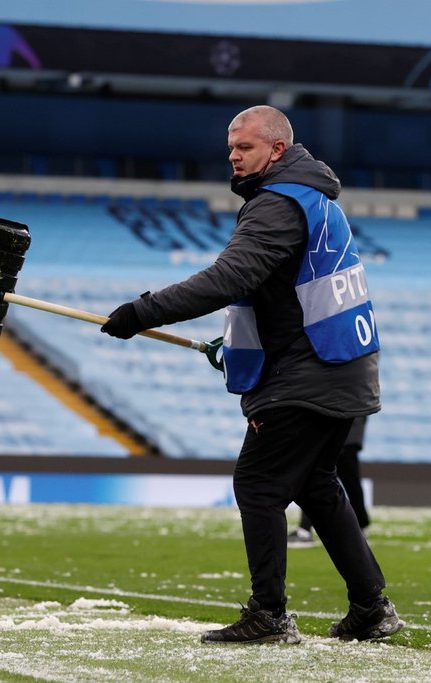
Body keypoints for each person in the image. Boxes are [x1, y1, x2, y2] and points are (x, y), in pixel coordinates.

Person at [100, 105, 402, 644]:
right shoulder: (310, 199)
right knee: (317, 485)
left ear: (277, 150)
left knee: (259, 485)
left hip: (309, 372)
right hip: (339, 368)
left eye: (245, 148)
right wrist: (239, 345)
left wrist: (142, 311)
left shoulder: (278, 204)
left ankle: (269, 614)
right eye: (231, 149)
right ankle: (371, 608)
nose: (234, 157)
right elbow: (278, 294)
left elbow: (229, 277)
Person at [287, 416, 369, 548]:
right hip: (335, 436)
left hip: (343, 437)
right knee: (317, 479)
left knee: (349, 483)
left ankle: (361, 525)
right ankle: (305, 529)